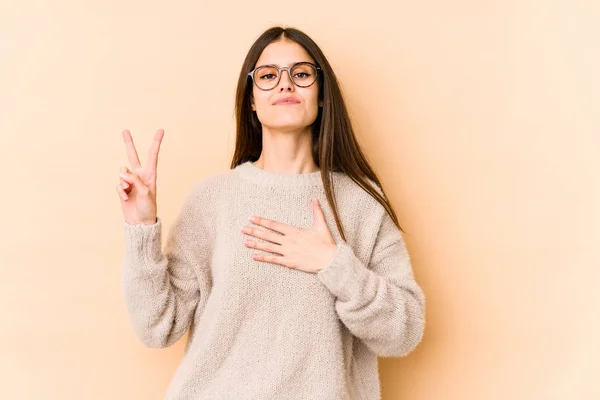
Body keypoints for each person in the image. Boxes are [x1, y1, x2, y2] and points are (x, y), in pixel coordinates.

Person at [117, 26, 425, 400]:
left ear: (322, 93)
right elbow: (157, 327)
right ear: (250, 99)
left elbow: (403, 333)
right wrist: (142, 227)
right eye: (267, 76)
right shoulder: (212, 199)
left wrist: (334, 264)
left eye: (301, 74)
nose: (285, 85)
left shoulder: (361, 202)